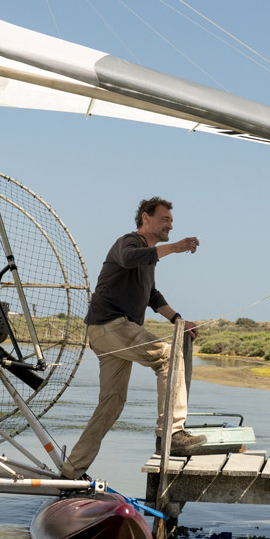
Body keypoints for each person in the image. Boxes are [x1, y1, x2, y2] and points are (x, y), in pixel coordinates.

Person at [60, 197, 206, 479]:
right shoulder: (128, 242)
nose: (170, 226)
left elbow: (151, 295)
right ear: (146, 218)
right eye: (165, 219)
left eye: (172, 221)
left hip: (112, 333)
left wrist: (178, 319)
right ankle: (172, 433)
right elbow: (129, 259)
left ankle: (72, 471)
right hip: (111, 326)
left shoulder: (148, 258)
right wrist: (174, 248)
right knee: (168, 354)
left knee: (112, 403)